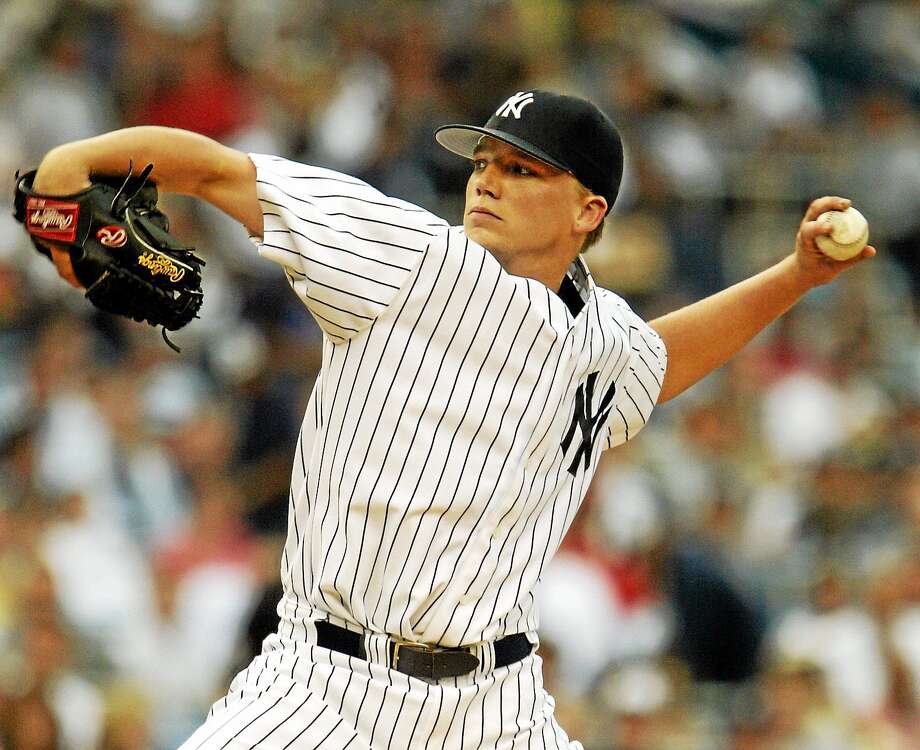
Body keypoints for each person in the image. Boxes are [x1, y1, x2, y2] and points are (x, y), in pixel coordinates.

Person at [28, 90, 874, 749]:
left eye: (523, 170)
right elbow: (219, 172)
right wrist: (76, 162)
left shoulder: (604, 341)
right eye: (485, 162)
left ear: (588, 212)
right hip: (327, 686)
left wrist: (795, 277)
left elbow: (660, 363)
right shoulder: (408, 258)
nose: (487, 180)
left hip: (497, 705)